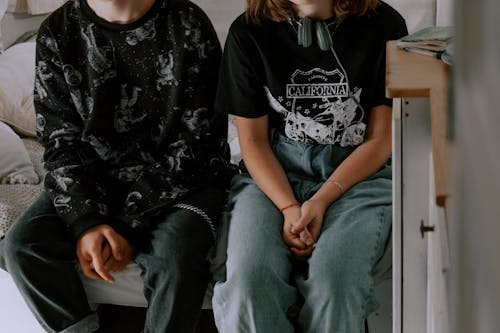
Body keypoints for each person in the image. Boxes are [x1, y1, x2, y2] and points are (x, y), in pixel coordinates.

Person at [0, 0, 234, 332]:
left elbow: (200, 143)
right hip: (97, 179)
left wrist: (127, 225)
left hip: (182, 180)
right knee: (21, 246)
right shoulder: (58, 31)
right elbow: (60, 141)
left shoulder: (188, 23)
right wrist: (86, 222)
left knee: (175, 257)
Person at [212, 0, 408, 332]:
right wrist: (290, 207)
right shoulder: (248, 32)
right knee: (249, 282)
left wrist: (321, 201)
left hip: (357, 175)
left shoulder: (385, 25)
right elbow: (254, 143)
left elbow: (379, 141)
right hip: (274, 173)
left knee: (336, 279)